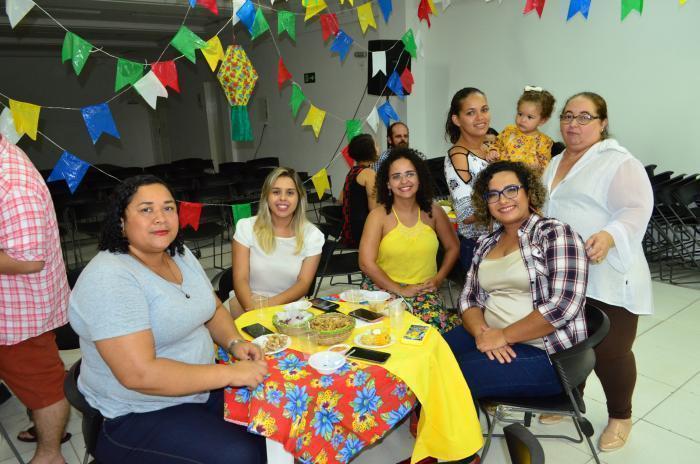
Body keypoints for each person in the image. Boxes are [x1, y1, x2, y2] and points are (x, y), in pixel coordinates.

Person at [68, 175, 268, 463]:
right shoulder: (110, 277)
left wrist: (234, 342)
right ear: (121, 221)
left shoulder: (180, 254)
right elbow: (139, 374)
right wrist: (230, 374)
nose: (160, 218)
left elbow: (211, 307)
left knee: (275, 428)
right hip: (136, 412)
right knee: (240, 456)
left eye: (168, 208)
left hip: (198, 390)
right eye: (146, 209)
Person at [541, 92, 653, 452]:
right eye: (567, 116)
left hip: (608, 272)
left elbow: (636, 208)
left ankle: (621, 416)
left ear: (603, 123)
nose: (573, 124)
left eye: (584, 117)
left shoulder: (618, 162)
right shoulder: (555, 161)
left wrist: (608, 235)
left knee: (611, 351)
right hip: (566, 274)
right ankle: (572, 400)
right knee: (569, 343)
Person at [443, 161, 589, 399]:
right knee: (430, 357)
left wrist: (504, 335)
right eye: (493, 194)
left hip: (546, 353)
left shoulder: (555, 234)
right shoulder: (486, 243)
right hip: (488, 333)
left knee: (450, 378)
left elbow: (562, 306)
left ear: (529, 192)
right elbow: (469, 298)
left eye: (511, 190)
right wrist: (482, 334)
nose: (503, 200)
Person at [0, 134, 71, 464]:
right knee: (37, 383)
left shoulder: (12, 182)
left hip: (18, 314)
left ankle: (50, 454)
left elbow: (29, 261)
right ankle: (46, 429)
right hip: (12, 308)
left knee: (45, 389)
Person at [359, 148, 460, 333]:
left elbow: (453, 247)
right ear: (388, 183)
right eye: (396, 176)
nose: (404, 181)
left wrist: (438, 279)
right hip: (382, 288)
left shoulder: (434, 212)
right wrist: (399, 289)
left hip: (423, 291)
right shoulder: (378, 216)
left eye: (410, 174)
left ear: (419, 178)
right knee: (384, 332)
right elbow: (366, 263)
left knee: (431, 332)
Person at [230, 167, 324, 317]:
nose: (283, 198)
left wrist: (268, 306)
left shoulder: (313, 235)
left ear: (299, 197)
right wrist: (254, 310)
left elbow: (303, 284)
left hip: (290, 308)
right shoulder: (246, 227)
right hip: (247, 304)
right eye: (276, 192)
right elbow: (241, 279)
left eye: (290, 193)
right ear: (266, 196)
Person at [444, 87, 493, 273]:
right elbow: (466, 215)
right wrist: (510, 205)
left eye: (484, 109)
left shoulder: (491, 150)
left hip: (503, 243)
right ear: (457, 119)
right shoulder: (458, 157)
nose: (480, 117)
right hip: (480, 248)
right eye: (471, 113)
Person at [493, 86, 555, 174]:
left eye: (529, 117)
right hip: (501, 174)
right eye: (520, 114)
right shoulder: (509, 131)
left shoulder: (544, 141)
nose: (522, 120)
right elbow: (496, 144)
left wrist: (538, 167)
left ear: (542, 120)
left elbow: (545, 166)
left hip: (525, 179)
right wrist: (493, 151)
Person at [340, 133, 378, 248]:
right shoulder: (369, 174)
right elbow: (374, 209)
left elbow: (340, 199)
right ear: (369, 150)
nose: (378, 147)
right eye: (376, 145)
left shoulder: (352, 171)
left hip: (348, 231)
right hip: (361, 232)